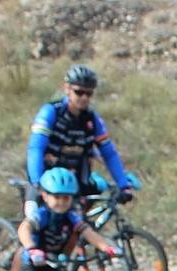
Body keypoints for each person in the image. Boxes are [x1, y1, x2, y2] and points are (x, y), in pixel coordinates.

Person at [26, 64, 141, 200]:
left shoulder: (92, 119)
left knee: (82, 218)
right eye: (79, 92)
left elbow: (109, 153)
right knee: (37, 218)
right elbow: (36, 148)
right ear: (67, 88)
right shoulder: (50, 112)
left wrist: (123, 185)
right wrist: (37, 183)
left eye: (89, 93)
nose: (84, 97)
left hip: (76, 181)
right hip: (48, 180)